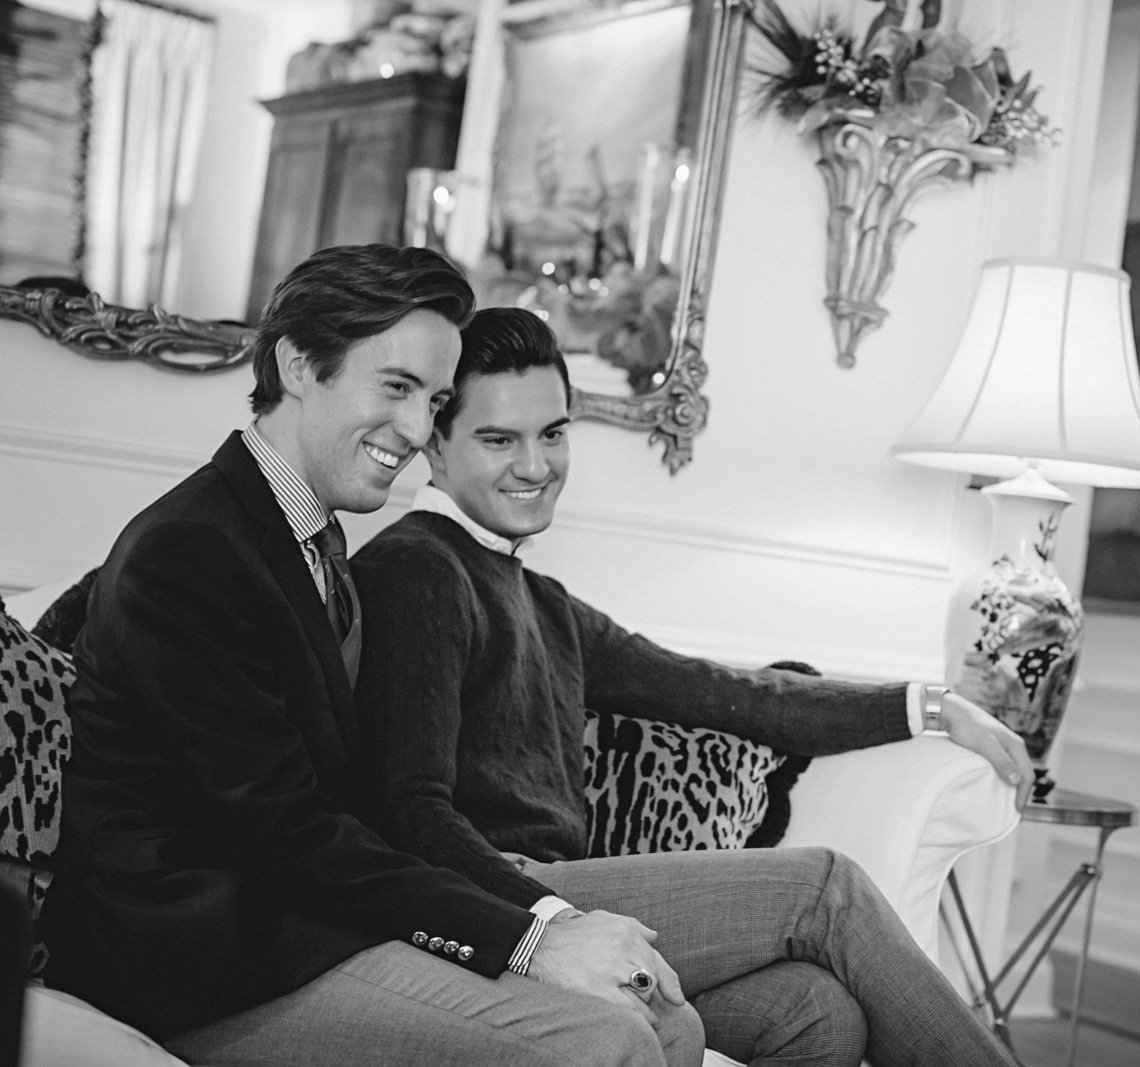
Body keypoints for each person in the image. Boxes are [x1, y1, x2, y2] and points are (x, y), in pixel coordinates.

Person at [39, 245, 701, 1067]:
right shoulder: (190, 551)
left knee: (670, 1020)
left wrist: (543, 921)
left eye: (434, 400)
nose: (418, 430)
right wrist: (532, 939)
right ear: (297, 364)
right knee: (603, 1039)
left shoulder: (318, 543)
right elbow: (284, 833)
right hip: (198, 964)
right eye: (396, 388)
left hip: (306, 922)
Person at [349, 306, 1030, 1067]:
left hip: (562, 895)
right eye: (499, 439)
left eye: (553, 433)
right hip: (504, 908)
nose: (536, 466)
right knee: (826, 885)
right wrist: (546, 923)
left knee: (816, 1011)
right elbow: (409, 812)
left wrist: (928, 706)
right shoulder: (415, 571)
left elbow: (719, 692)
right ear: (435, 443)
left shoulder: (538, 599)